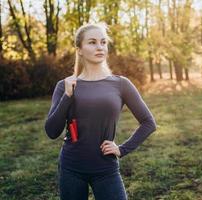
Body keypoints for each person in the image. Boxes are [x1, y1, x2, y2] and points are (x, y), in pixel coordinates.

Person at [44, 22, 157, 200]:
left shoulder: (121, 84)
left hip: (106, 168)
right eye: (92, 42)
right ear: (79, 49)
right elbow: (51, 131)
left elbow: (149, 123)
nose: (99, 47)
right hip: (71, 167)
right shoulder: (64, 85)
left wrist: (122, 149)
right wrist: (67, 96)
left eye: (103, 42)